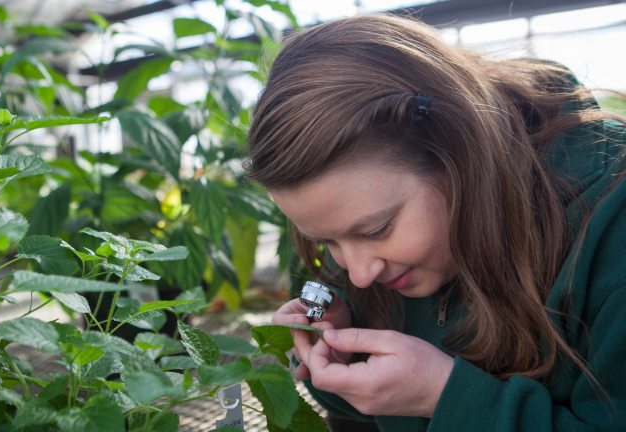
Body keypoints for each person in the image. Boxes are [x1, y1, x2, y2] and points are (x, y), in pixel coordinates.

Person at [245, 13, 626, 432]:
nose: (358, 272)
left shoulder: (613, 225)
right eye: (325, 242)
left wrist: (447, 398)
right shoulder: (354, 224)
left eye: (377, 230)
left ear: (456, 152)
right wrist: (342, 360)